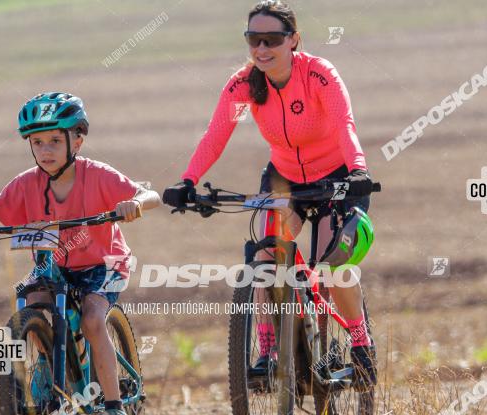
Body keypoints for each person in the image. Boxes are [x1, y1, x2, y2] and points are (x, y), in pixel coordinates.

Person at [162, 0, 378, 389]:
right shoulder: (244, 84)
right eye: (253, 40)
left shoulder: (318, 73)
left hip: (337, 176)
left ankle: (361, 344)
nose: (262, 49)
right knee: (264, 260)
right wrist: (188, 180)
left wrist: (358, 169)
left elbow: (344, 123)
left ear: (293, 39)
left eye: (272, 39)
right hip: (285, 180)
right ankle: (268, 352)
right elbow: (215, 136)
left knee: (333, 263)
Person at [0, 92, 161, 415]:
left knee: (92, 320)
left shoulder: (97, 175)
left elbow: (151, 195)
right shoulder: (26, 183)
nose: (46, 151)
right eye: (38, 142)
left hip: (103, 264)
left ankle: (114, 407)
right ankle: (48, 366)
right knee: (32, 305)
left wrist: (133, 204)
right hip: (55, 267)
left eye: (55, 141)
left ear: (77, 139)